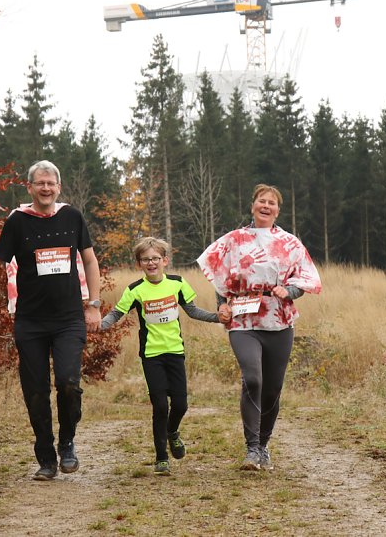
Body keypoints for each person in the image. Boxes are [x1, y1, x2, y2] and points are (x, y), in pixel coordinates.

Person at [0, 160, 102, 481]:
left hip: (69, 319)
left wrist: (94, 304)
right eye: (40, 183)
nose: (46, 188)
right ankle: (46, 455)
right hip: (30, 322)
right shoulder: (18, 221)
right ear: (29, 187)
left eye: (51, 183)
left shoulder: (72, 217)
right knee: (36, 391)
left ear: (59, 187)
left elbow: (89, 259)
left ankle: (67, 442)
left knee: (69, 383)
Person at [197, 184, 322, 471]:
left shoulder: (290, 242)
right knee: (253, 379)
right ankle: (251, 449)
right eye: (261, 201)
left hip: (279, 321)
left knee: (272, 388)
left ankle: (264, 445)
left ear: (278, 210)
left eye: (272, 203)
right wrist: (221, 306)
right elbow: (220, 276)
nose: (266, 206)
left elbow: (305, 279)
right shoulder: (234, 239)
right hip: (243, 320)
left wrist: (288, 291)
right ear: (252, 205)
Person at [101, 237, 223, 476]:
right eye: (145, 259)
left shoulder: (177, 283)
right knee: (159, 406)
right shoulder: (135, 290)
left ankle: (172, 432)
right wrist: (98, 325)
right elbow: (116, 313)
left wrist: (217, 317)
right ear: (139, 264)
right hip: (151, 355)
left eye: (155, 258)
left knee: (180, 404)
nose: (151, 263)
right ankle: (161, 458)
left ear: (165, 260)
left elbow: (193, 310)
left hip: (175, 352)